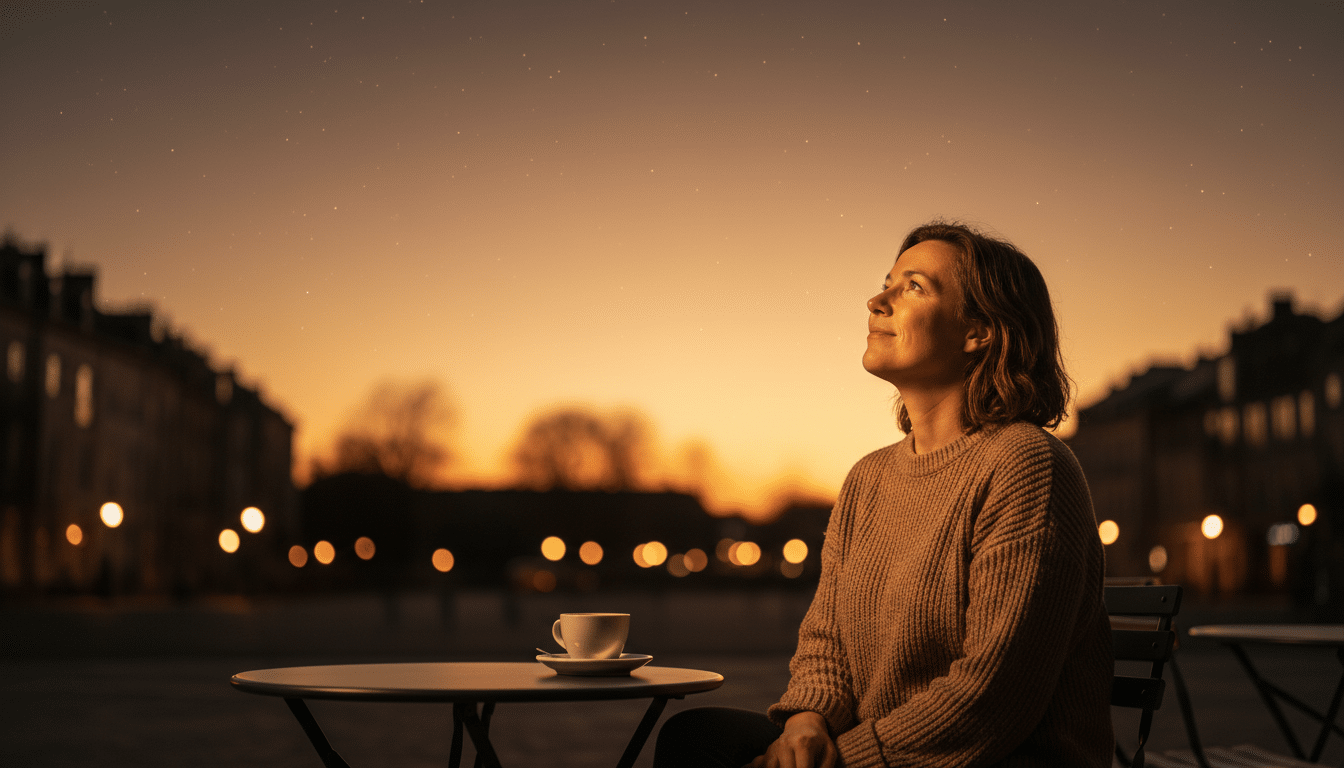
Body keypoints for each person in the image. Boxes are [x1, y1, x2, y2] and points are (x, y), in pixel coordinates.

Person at [653, 221, 1113, 767]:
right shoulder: (868, 480)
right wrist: (805, 724)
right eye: (886, 283)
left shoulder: (1027, 466)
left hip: (995, 759)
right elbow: (827, 642)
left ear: (980, 331)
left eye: (913, 287)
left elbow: (992, 696)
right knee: (695, 737)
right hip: (872, 751)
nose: (876, 301)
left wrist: (842, 760)